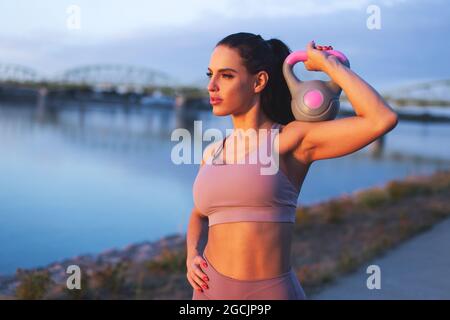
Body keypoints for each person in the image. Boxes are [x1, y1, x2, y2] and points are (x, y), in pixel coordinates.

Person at [186, 32, 398, 300]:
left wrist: (329, 66)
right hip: (206, 293)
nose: (211, 86)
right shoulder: (213, 152)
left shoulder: (290, 140)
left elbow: (381, 119)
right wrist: (191, 254)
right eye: (210, 74)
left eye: (226, 75)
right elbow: (199, 214)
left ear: (259, 81)